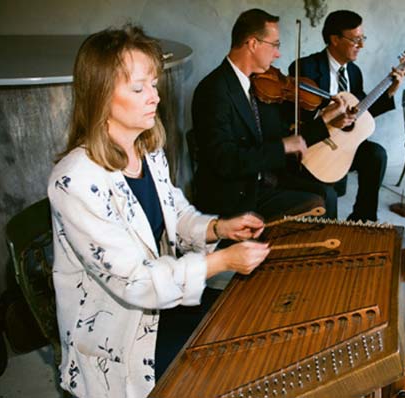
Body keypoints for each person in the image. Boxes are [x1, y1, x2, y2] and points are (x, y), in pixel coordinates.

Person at [48, 24, 271, 397]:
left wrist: (219, 228)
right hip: (118, 333)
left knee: (249, 325)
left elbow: (177, 215)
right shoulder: (74, 181)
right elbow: (134, 282)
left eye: (154, 84)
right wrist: (221, 262)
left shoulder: (147, 151)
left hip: (162, 301)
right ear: (100, 97)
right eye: (138, 88)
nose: (154, 97)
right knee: (226, 371)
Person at [191, 9, 353, 221]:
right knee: (318, 201)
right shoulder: (213, 90)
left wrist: (326, 120)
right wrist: (283, 146)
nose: (278, 54)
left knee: (328, 192)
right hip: (237, 193)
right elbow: (226, 161)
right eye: (275, 45)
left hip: (266, 179)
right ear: (252, 43)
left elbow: (285, 137)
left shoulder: (260, 85)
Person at [288, 10, 405, 222]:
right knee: (326, 192)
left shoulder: (354, 72)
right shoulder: (305, 67)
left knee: (376, 154)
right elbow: (295, 118)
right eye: (356, 40)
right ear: (335, 39)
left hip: (343, 144)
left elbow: (361, 113)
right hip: (316, 145)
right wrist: (330, 118)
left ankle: (363, 218)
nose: (361, 45)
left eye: (363, 39)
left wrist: (390, 90)